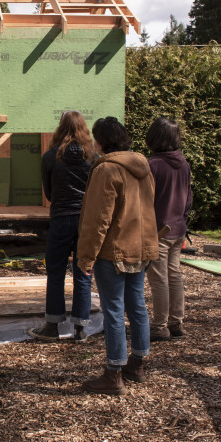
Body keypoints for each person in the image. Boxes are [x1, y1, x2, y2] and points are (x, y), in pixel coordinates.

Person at [76, 117, 158, 395]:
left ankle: (113, 374)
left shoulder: (106, 170)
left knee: (113, 309)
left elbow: (98, 220)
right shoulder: (144, 168)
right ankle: (137, 364)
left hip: (114, 252)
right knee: (136, 306)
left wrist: (85, 257)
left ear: (99, 142)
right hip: (140, 247)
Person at [29, 111, 95, 342]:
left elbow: (48, 192)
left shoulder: (50, 157)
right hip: (85, 220)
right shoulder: (93, 158)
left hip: (60, 218)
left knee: (55, 272)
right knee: (83, 272)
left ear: (60, 128)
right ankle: (80, 328)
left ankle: (52, 326)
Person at [144, 117, 193, 341]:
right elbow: (188, 200)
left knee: (158, 278)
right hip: (178, 228)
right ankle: (177, 321)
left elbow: (143, 200)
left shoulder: (152, 165)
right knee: (174, 275)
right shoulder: (184, 164)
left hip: (158, 231)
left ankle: (159, 325)